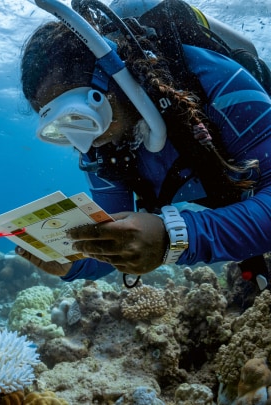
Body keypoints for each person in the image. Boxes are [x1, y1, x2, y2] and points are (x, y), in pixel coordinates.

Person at [16, 0, 271, 289]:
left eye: (79, 117)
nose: (81, 140)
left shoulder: (219, 83)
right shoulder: (101, 145)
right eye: (61, 129)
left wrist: (175, 237)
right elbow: (116, 236)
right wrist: (73, 261)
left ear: (112, 77)